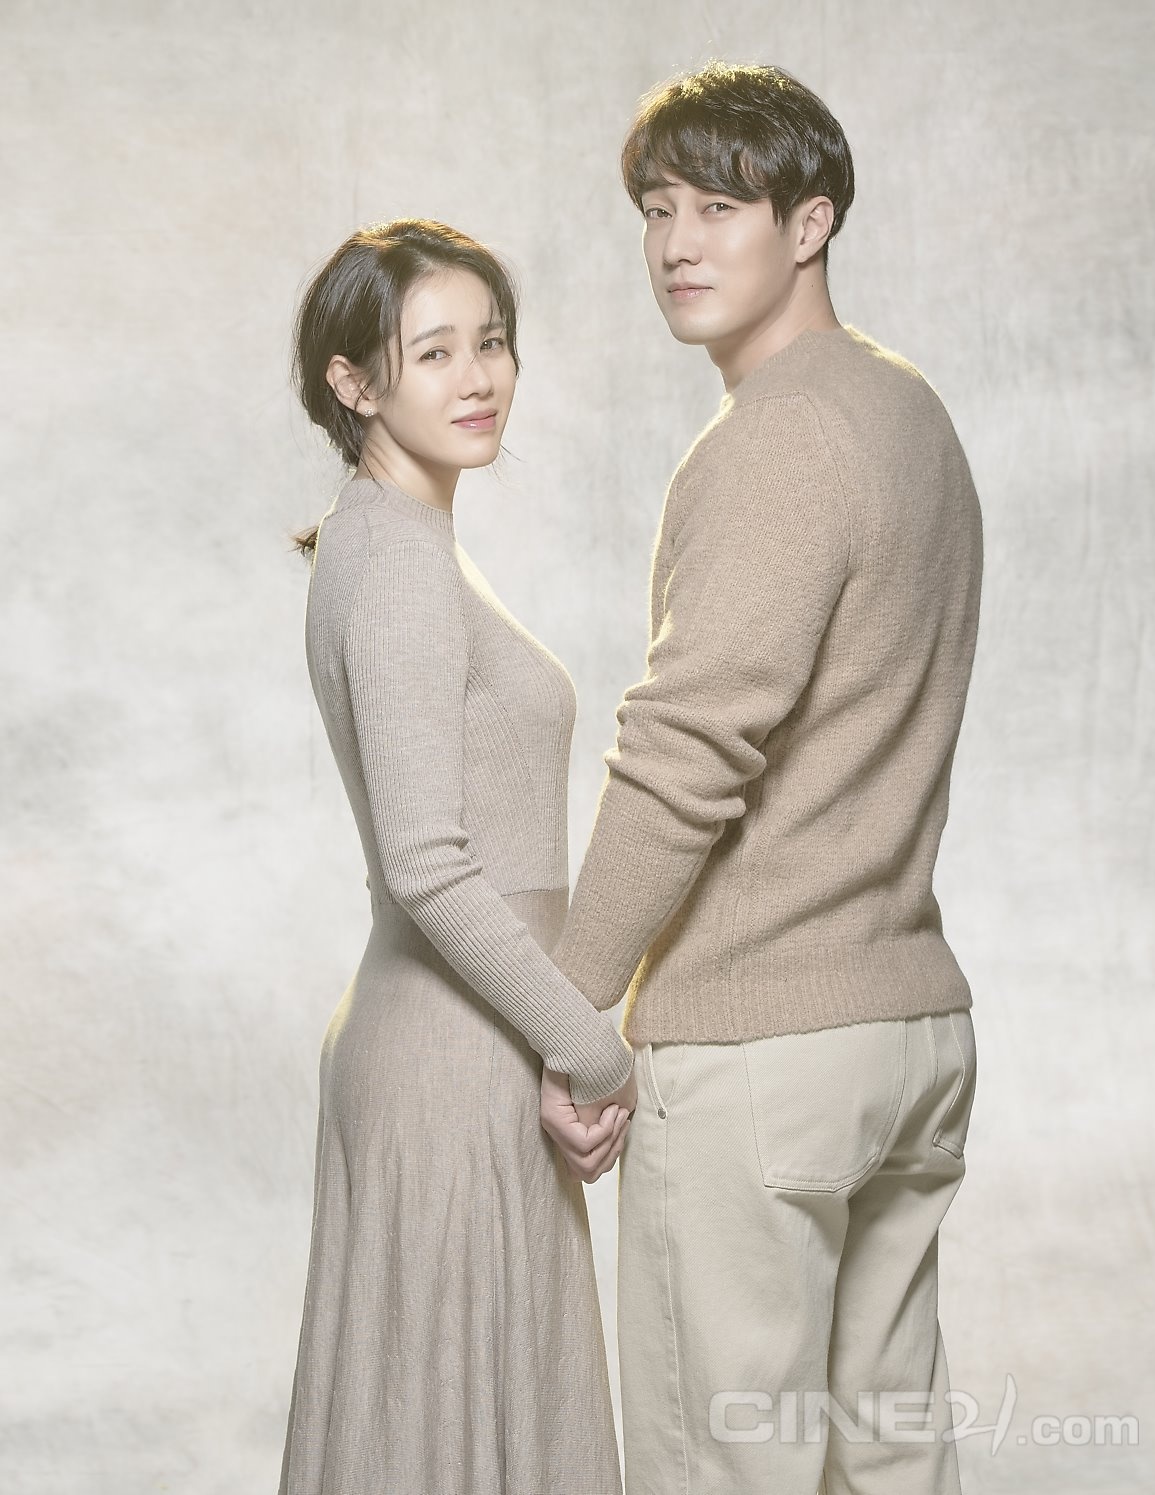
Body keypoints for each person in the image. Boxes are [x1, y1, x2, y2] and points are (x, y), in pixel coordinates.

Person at [539, 62, 984, 1495]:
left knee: (726, 1469)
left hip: (762, 1053)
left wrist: (569, 1010)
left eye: (720, 207)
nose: (677, 243)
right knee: (891, 1460)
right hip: (907, 1033)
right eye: (657, 209)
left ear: (812, 222)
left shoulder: (778, 434)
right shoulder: (907, 410)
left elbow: (687, 750)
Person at [276, 217, 637, 1495]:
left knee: (447, 1435)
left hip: (466, 1038)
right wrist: (591, 1045)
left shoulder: (396, 537)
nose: (479, 377)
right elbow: (427, 863)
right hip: (456, 1052)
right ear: (355, 382)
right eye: (434, 352)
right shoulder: (394, 561)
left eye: (492, 342)